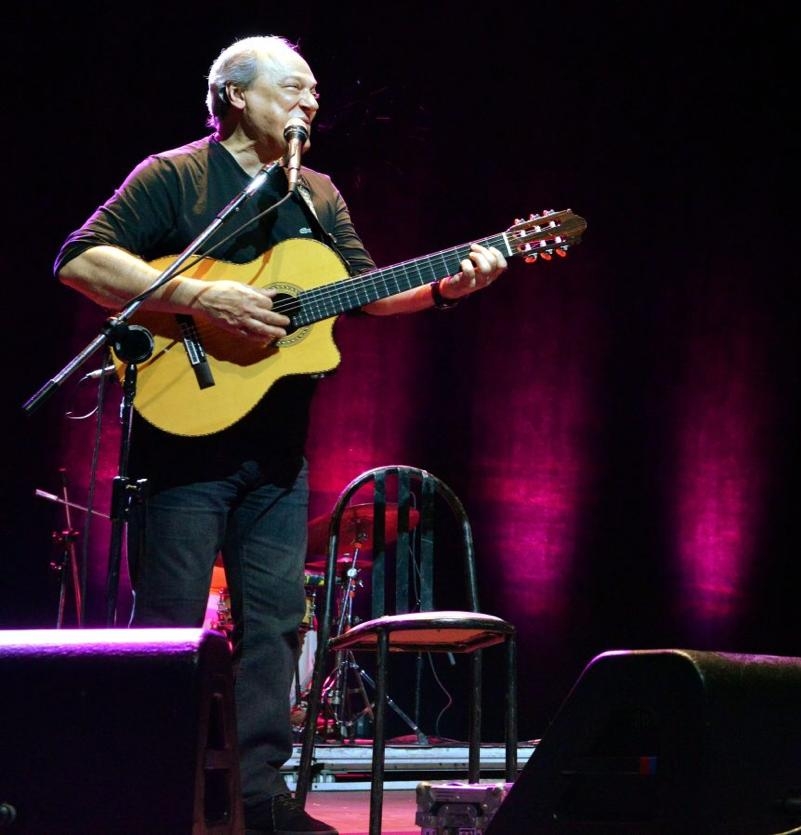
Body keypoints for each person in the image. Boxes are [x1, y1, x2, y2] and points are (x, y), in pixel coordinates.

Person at [54, 35, 507, 835]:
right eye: (294, 88)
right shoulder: (176, 176)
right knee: (170, 624)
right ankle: (154, 789)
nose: (310, 102)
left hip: (276, 452)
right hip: (181, 440)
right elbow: (81, 260)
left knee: (275, 623)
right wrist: (203, 299)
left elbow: (365, 291)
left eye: (315, 94)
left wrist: (444, 287)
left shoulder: (319, 195)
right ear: (233, 93)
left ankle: (260, 797)